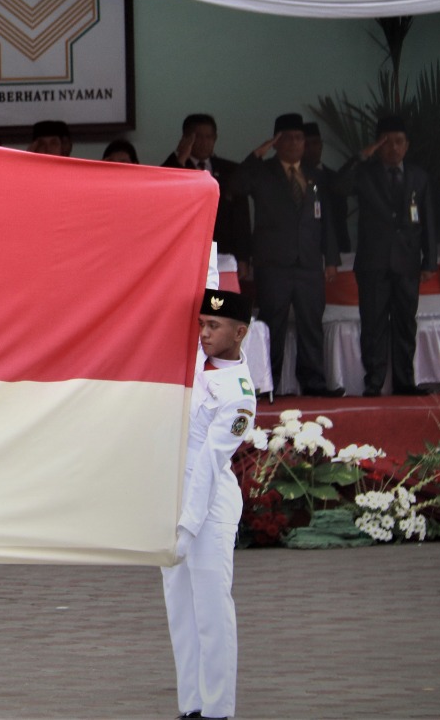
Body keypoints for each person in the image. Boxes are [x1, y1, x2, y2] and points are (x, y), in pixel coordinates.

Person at [164, 288, 256, 720]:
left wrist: (187, 525)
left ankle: (218, 711)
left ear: (239, 333)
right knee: (181, 611)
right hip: (175, 499)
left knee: (212, 610)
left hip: (209, 506)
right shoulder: (195, 363)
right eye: (202, 324)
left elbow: (208, 462)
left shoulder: (239, 393)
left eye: (214, 326)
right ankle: (192, 707)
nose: (203, 332)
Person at [232, 114, 340, 396]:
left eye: (300, 138)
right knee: (272, 327)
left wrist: (330, 259)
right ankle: (269, 384)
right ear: (276, 142)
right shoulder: (263, 171)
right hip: (273, 264)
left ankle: (314, 384)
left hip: (308, 264)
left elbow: (326, 219)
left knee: (311, 326)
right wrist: (258, 153)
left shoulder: (314, 174)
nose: (295, 143)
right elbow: (235, 186)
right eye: (288, 138)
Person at [335, 115, 438, 396]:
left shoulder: (419, 176)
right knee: (373, 324)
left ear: (407, 145)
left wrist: (429, 261)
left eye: (399, 142)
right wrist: (360, 156)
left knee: (406, 324)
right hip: (373, 263)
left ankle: (405, 382)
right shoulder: (366, 173)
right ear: (378, 146)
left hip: (407, 263)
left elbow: (428, 220)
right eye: (387, 143)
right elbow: (339, 187)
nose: (393, 148)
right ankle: (374, 382)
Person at [163, 113, 251, 261]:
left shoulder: (231, 170)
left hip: (224, 251)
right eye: (198, 137)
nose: (204, 142)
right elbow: (164, 191)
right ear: (186, 138)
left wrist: (243, 258)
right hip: (185, 251)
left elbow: (241, 219)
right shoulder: (175, 167)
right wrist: (181, 157)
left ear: (215, 138)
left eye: (209, 137)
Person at [301, 121, 351, 254]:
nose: (311, 149)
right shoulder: (294, 180)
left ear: (321, 145)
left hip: (337, 248)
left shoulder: (335, 178)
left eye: (316, 143)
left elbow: (340, 218)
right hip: (305, 252)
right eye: (306, 145)